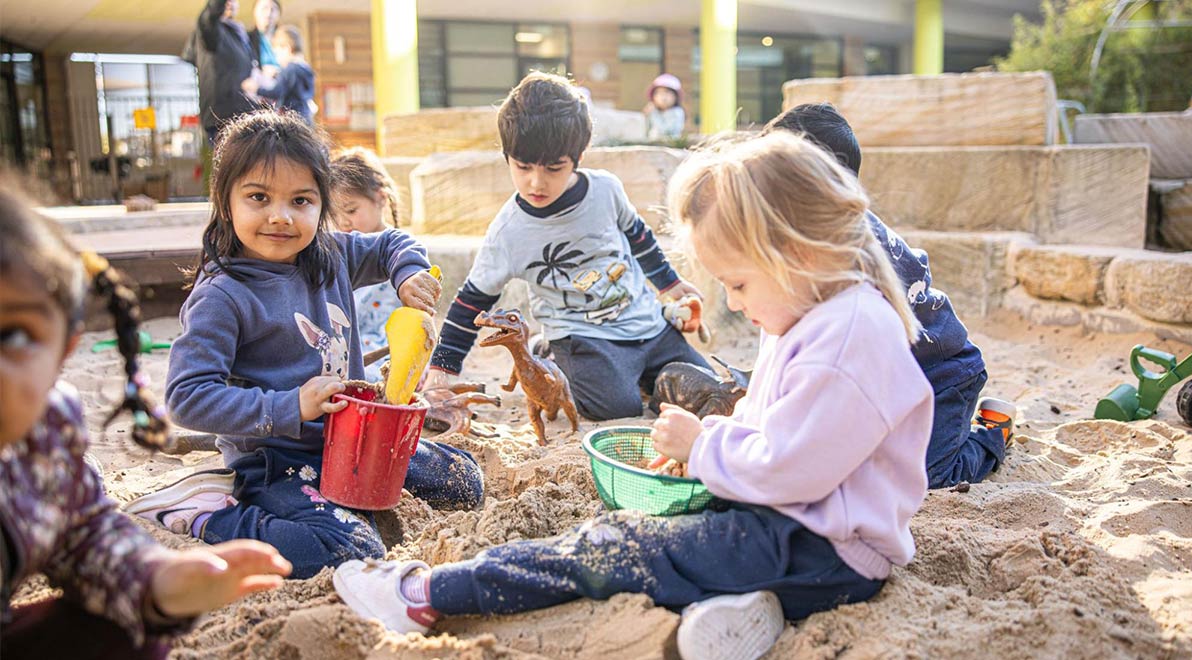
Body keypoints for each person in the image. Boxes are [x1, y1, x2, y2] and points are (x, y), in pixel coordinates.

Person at [332, 132, 934, 660]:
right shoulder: (812, 312)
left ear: (796, 253)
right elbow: (768, 421)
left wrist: (702, 447)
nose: (735, 304)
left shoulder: (851, 335)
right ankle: (749, 606)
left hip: (821, 551)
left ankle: (424, 595)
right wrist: (714, 444)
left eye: (740, 283)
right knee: (662, 536)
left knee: (613, 548)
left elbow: (792, 467)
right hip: (802, 536)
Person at [123, 111, 484, 580]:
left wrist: (408, 272)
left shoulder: (328, 255)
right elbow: (187, 397)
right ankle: (209, 513)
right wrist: (292, 404)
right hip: (280, 459)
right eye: (258, 197)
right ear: (225, 201)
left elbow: (391, 242)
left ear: (322, 204)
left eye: (301, 200)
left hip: (355, 440)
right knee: (345, 547)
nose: (280, 215)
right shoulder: (223, 295)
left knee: (464, 483)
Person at [0, 185, 291, 659]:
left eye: (12, 335)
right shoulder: (222, 295)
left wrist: (158, 577)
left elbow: (87, 540)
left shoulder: (46, 431)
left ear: (61, 353)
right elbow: (191, 396)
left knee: (129, 618)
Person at [424, 71, 710, 421]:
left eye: (554, 168)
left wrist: (670, 284)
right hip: (583, 336)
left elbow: (638, 237)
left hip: (646, 323)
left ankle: (642, 375)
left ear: (579, 155)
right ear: (507, 156)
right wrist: (442, 372)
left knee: (704, 387)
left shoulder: (606, 190)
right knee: (615, 407)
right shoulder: (510, 232)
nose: (536, 182)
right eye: (523, 166)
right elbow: (472, 303)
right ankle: (551, 356)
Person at [763, 102, 1016, 489]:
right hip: (889, 379)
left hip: (942, 375)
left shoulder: (859, 246)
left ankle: (993, 432)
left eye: (780, 173)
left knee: (927, 475)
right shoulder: (808, 234)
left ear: (827, 173)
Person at [330, 146, 406, 382]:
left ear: (381, 198)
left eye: (351, 210)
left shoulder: (405, 254)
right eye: (334, 214)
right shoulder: (336, 251)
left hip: (386, 353)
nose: (343, 221)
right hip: (345, 348)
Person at [187, 0, 260, 146]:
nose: (230, 4)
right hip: (223, 118)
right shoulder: (211, 32)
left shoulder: (241, 36)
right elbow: (209, 17)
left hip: (245, 114)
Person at [243, 25, 314, 124]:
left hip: (292, 119)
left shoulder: (290, 69)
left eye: (276, 53)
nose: (277, 58)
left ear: (287, 48)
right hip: (305, 116)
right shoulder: (305, 68)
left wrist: (256, 88)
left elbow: (277, 92)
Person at [643, 73, 686, 141]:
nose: (663, 97)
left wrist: (653, 113)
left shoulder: (677, 112)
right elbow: (647, 131)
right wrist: (646, 116)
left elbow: (665, 131)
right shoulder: (656, 112)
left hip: (670, 146)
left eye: (667, 92)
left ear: (676, 96)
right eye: (658, 93)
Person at [248, 0, 281, 74]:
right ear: (255, 12)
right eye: (264, 8)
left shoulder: (286, 39)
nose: (268, 13)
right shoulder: (246, 39)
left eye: (273, 9)